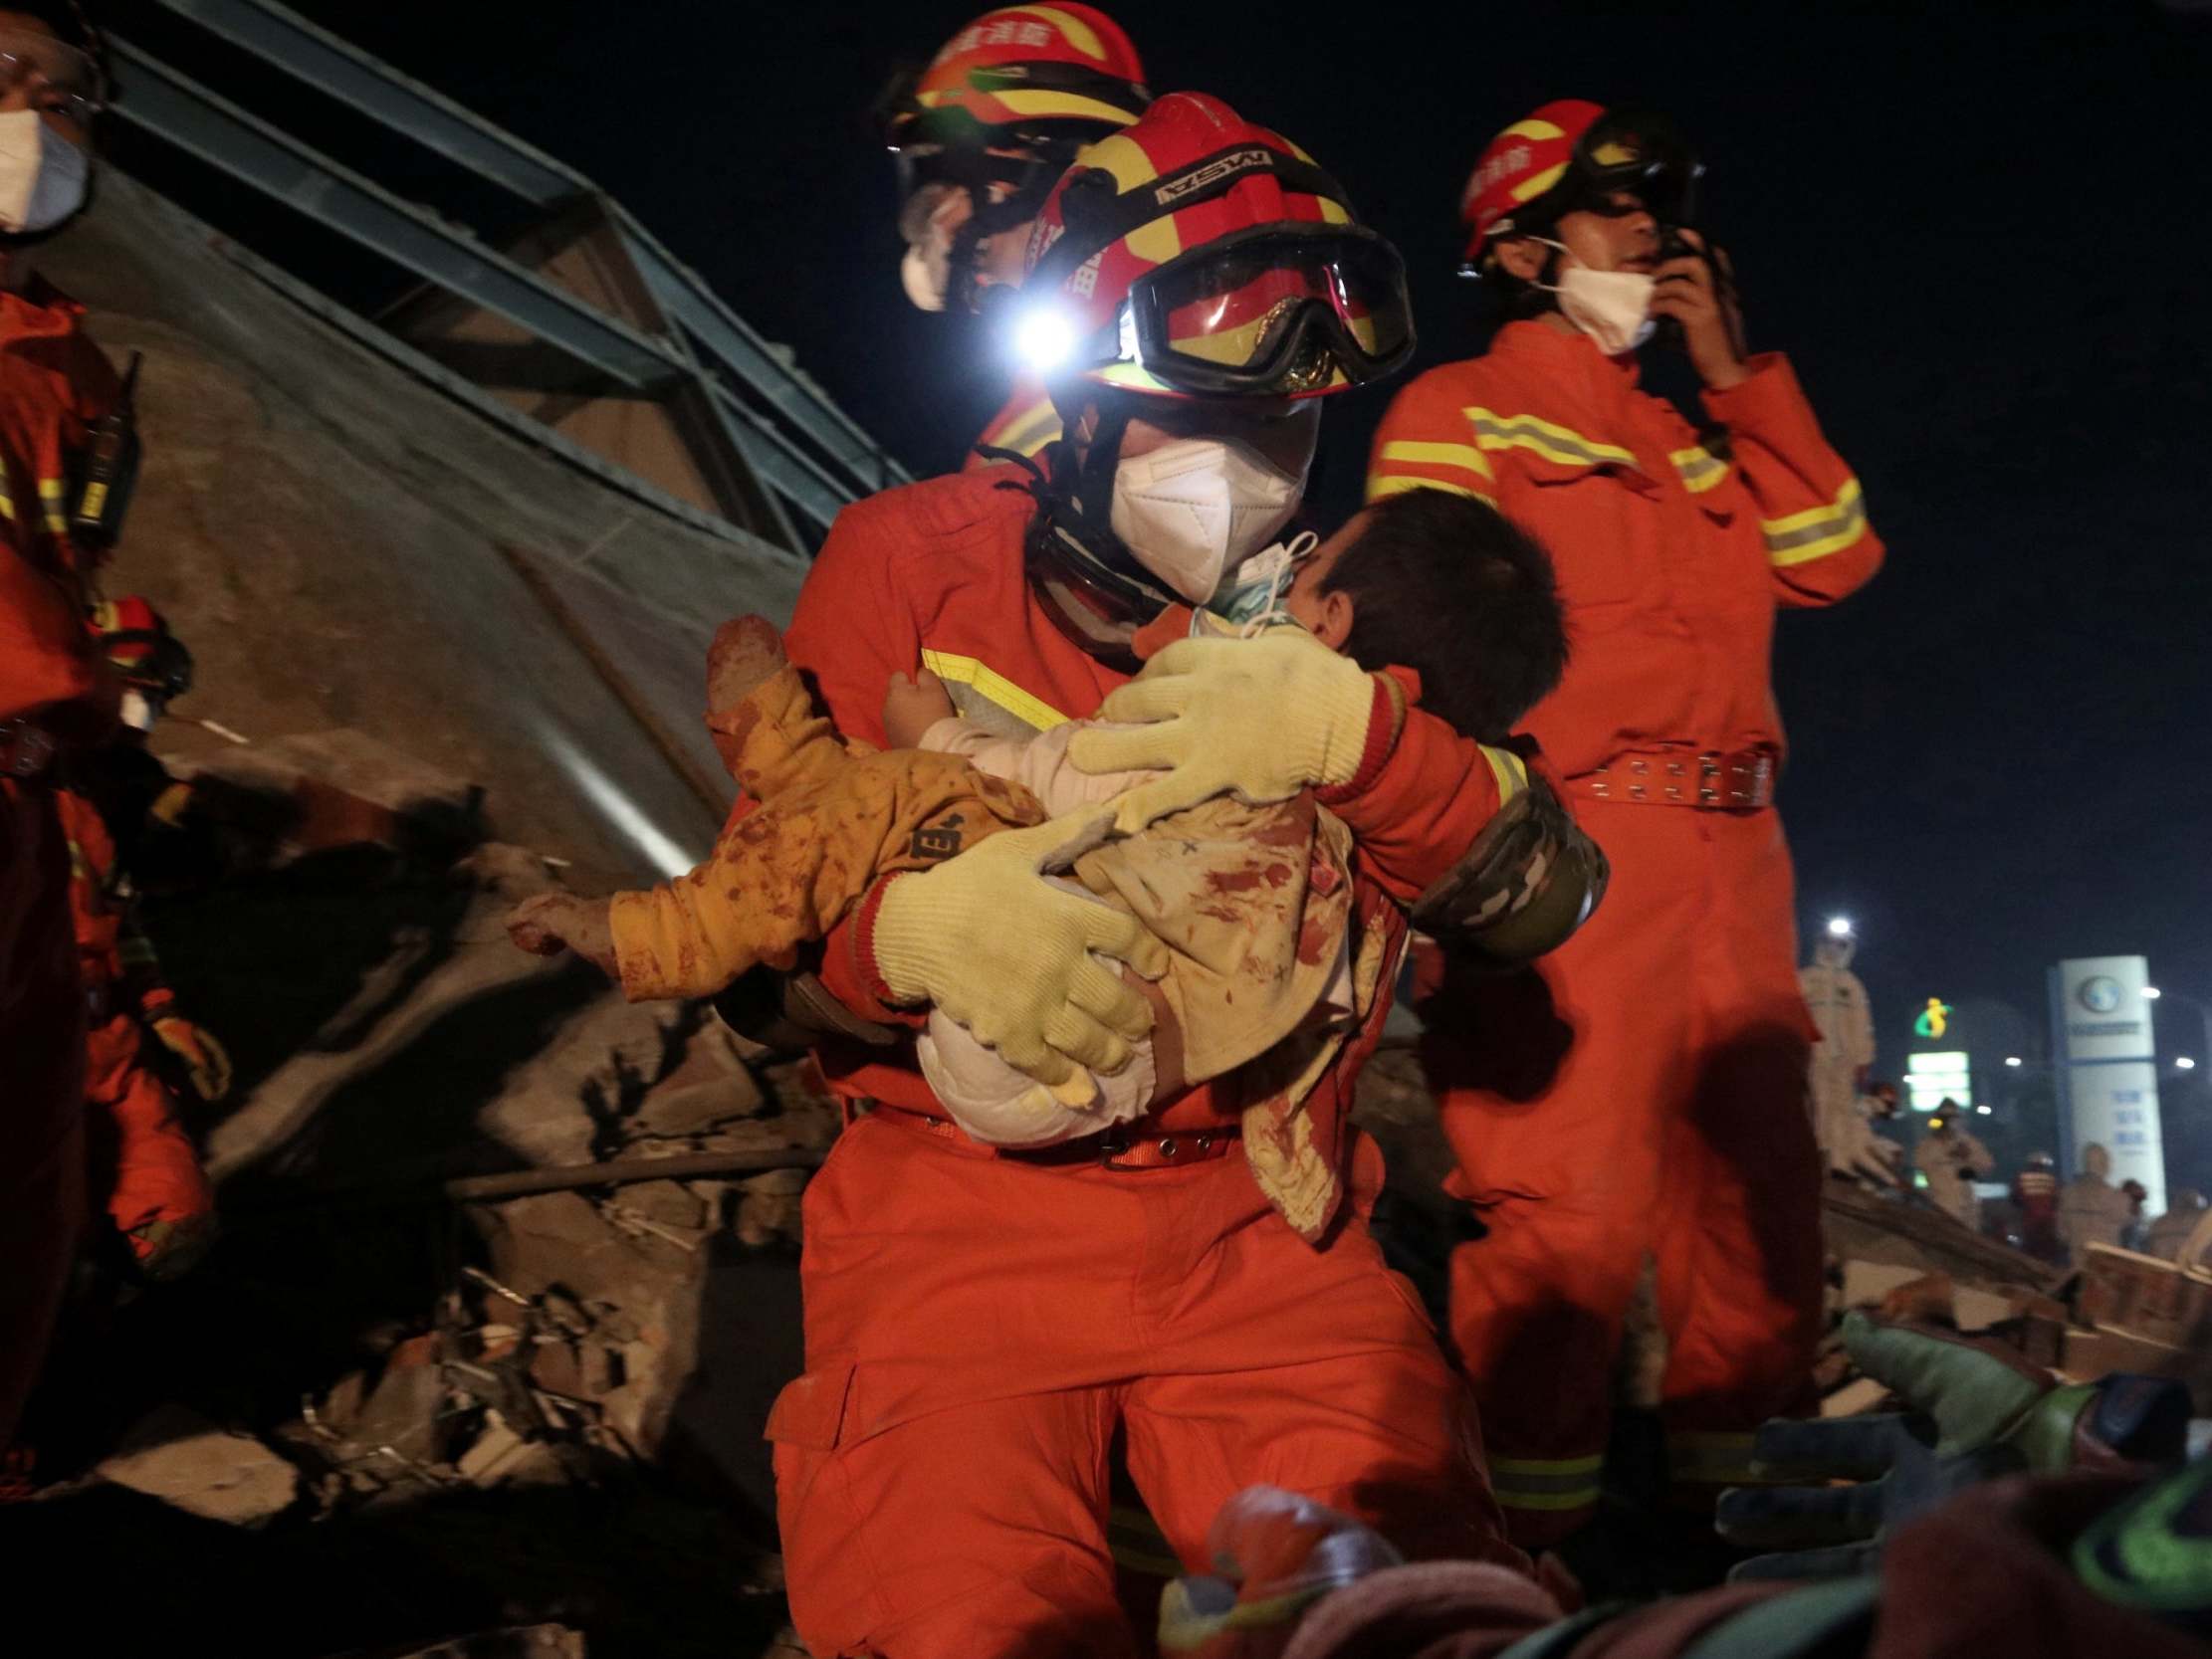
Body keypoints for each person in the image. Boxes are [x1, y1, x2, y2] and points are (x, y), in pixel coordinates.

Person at [702, 94, 1603, 1658]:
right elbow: (750, 939)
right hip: (951, 1234)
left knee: (1427, 1613)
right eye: (1209, 422)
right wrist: (896, 936)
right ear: (1083, 401)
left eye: (1290, 429)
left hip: (1265, 1228)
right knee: (956, 1620)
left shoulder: (1338, 623)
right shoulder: (910, 560)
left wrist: (1365, 743)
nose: (1253, 475)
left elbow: (1539, 894)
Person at [512, 492, 1585, 1242]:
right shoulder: (929, 548)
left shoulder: (1243, 697)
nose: (1275, 561)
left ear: (1329, 614)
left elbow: (1078, 774)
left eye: (1303, 560)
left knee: (894, 799)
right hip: (1114, 1104)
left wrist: (937, 743)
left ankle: (678, 902)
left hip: (1039, 1060)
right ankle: (782, 781)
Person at [1366, 98, 1884, 1541]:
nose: (1652, 236)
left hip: (1740, 860)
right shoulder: (1453, 412)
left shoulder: (1695, 430)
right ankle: (1521, 1550)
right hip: (1576, 850)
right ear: (1524, 249)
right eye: (1615, 212)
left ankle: (1743, 1546)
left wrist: (1738, 376)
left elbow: (1836, 558)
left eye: (1660, 210)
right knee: (1563, 1213)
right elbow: (1411, 643)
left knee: (1758, 1208)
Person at [0, 5, 127, 1452]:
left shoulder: (64, 369)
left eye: (70, 90)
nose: (40, 109)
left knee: (23, 1193)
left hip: (29, 802)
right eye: (4, 76)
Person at [880, 4, 1149, 469]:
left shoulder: (1132, 397)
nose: (939, 224)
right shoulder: (1049, 397)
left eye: (949, 184)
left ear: (1040, 175)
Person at [60, 597, 225, 1281]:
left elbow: (122, 924)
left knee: (175, 1220)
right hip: (31, 1041)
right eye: (135, 693)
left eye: (153, 699)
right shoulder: (33, 777)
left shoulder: (100, 809)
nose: (141, 714)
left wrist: (163, 1011)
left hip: (106, 1036)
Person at [1801, 926, 1876, 1165]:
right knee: (1820, 1103)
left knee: (1843, 1107)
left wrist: (1864, 1059)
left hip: (1845, 1057)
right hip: (1815, 1054)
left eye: (1840, 944)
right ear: (1820, 945)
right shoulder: (1806, 979)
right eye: (1829, 943)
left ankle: (1840, 1163)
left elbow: (1862, 1024)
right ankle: (1820, 1155)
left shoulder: (1851, 984)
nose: (1833, 949)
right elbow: (1791, 1013)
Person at [1913, 1103, 1994, 1231]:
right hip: (1943, 1204)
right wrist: (1948, 1153)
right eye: (1944, 1119)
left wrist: (1968, 1156)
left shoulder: (1969, 1143)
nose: (1948, 1124)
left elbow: (1987, 1164)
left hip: (1969, 1206)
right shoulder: (1928, 1145)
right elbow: (1920, 1163)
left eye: (1951, 1119)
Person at [2059, 1142, 2134, 1261]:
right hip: (2107, 1266)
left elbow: (2062, 1233)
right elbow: (2128, 1229)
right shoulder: (2118, 1198)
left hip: (2077, 1265)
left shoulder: (2067, 1195)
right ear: (2103, 1164)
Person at [2013, 1150, 2064, 1263]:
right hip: (2048, 1225)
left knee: (2031, 1257)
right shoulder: (2051, 1180)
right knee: (2048, 1256)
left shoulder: (2022, 1178)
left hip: (2030, 1224)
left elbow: (2016, 1199)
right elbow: (2057, 1200)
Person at [2142, 1187, 2208, 1263]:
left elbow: (2149, 1249)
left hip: (2161, 1267)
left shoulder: (2160, 1222)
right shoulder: (2203, 1223)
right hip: (2186, 1267)